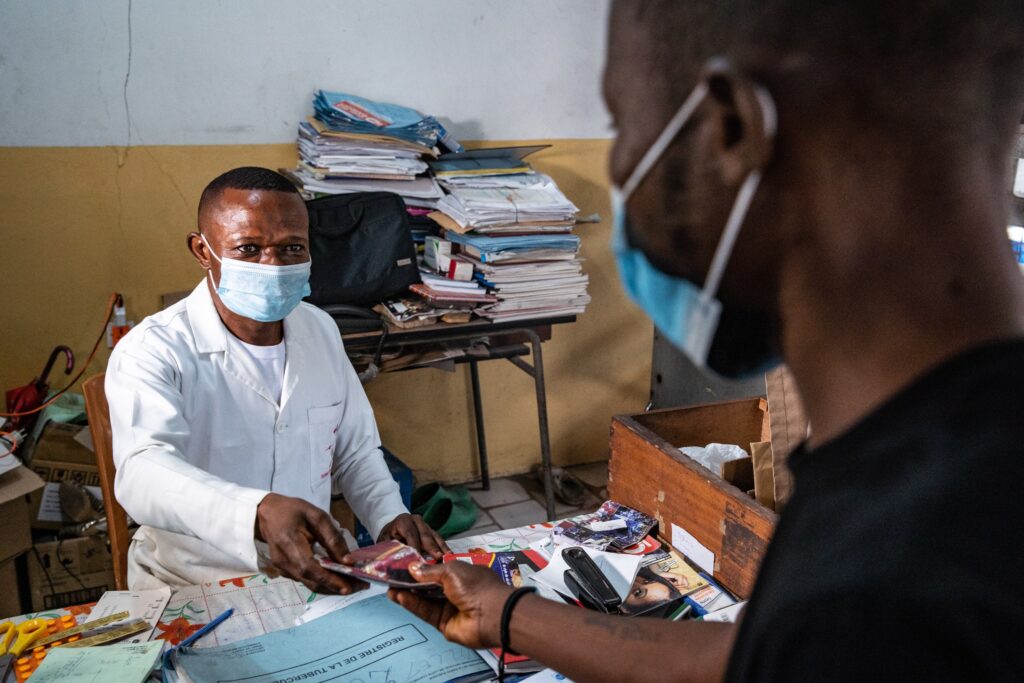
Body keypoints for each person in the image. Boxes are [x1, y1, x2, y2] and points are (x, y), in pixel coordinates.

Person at [389, 1, 1024, 680]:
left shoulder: (880, 584)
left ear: (730, 131)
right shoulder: (949, 491)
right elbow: (758, 656)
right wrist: (514, 614)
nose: (623, 165)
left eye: (622, 123)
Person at [107, 167, 446, 592]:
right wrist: (256, 511)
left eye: (291, 249)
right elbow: (143, 473)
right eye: (248, 248)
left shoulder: (319, 329)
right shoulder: (153, 349)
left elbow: (355, 450)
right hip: (192, 577)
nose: (272, 264)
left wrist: (388, 516)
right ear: (202, 250)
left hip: (312, 568)